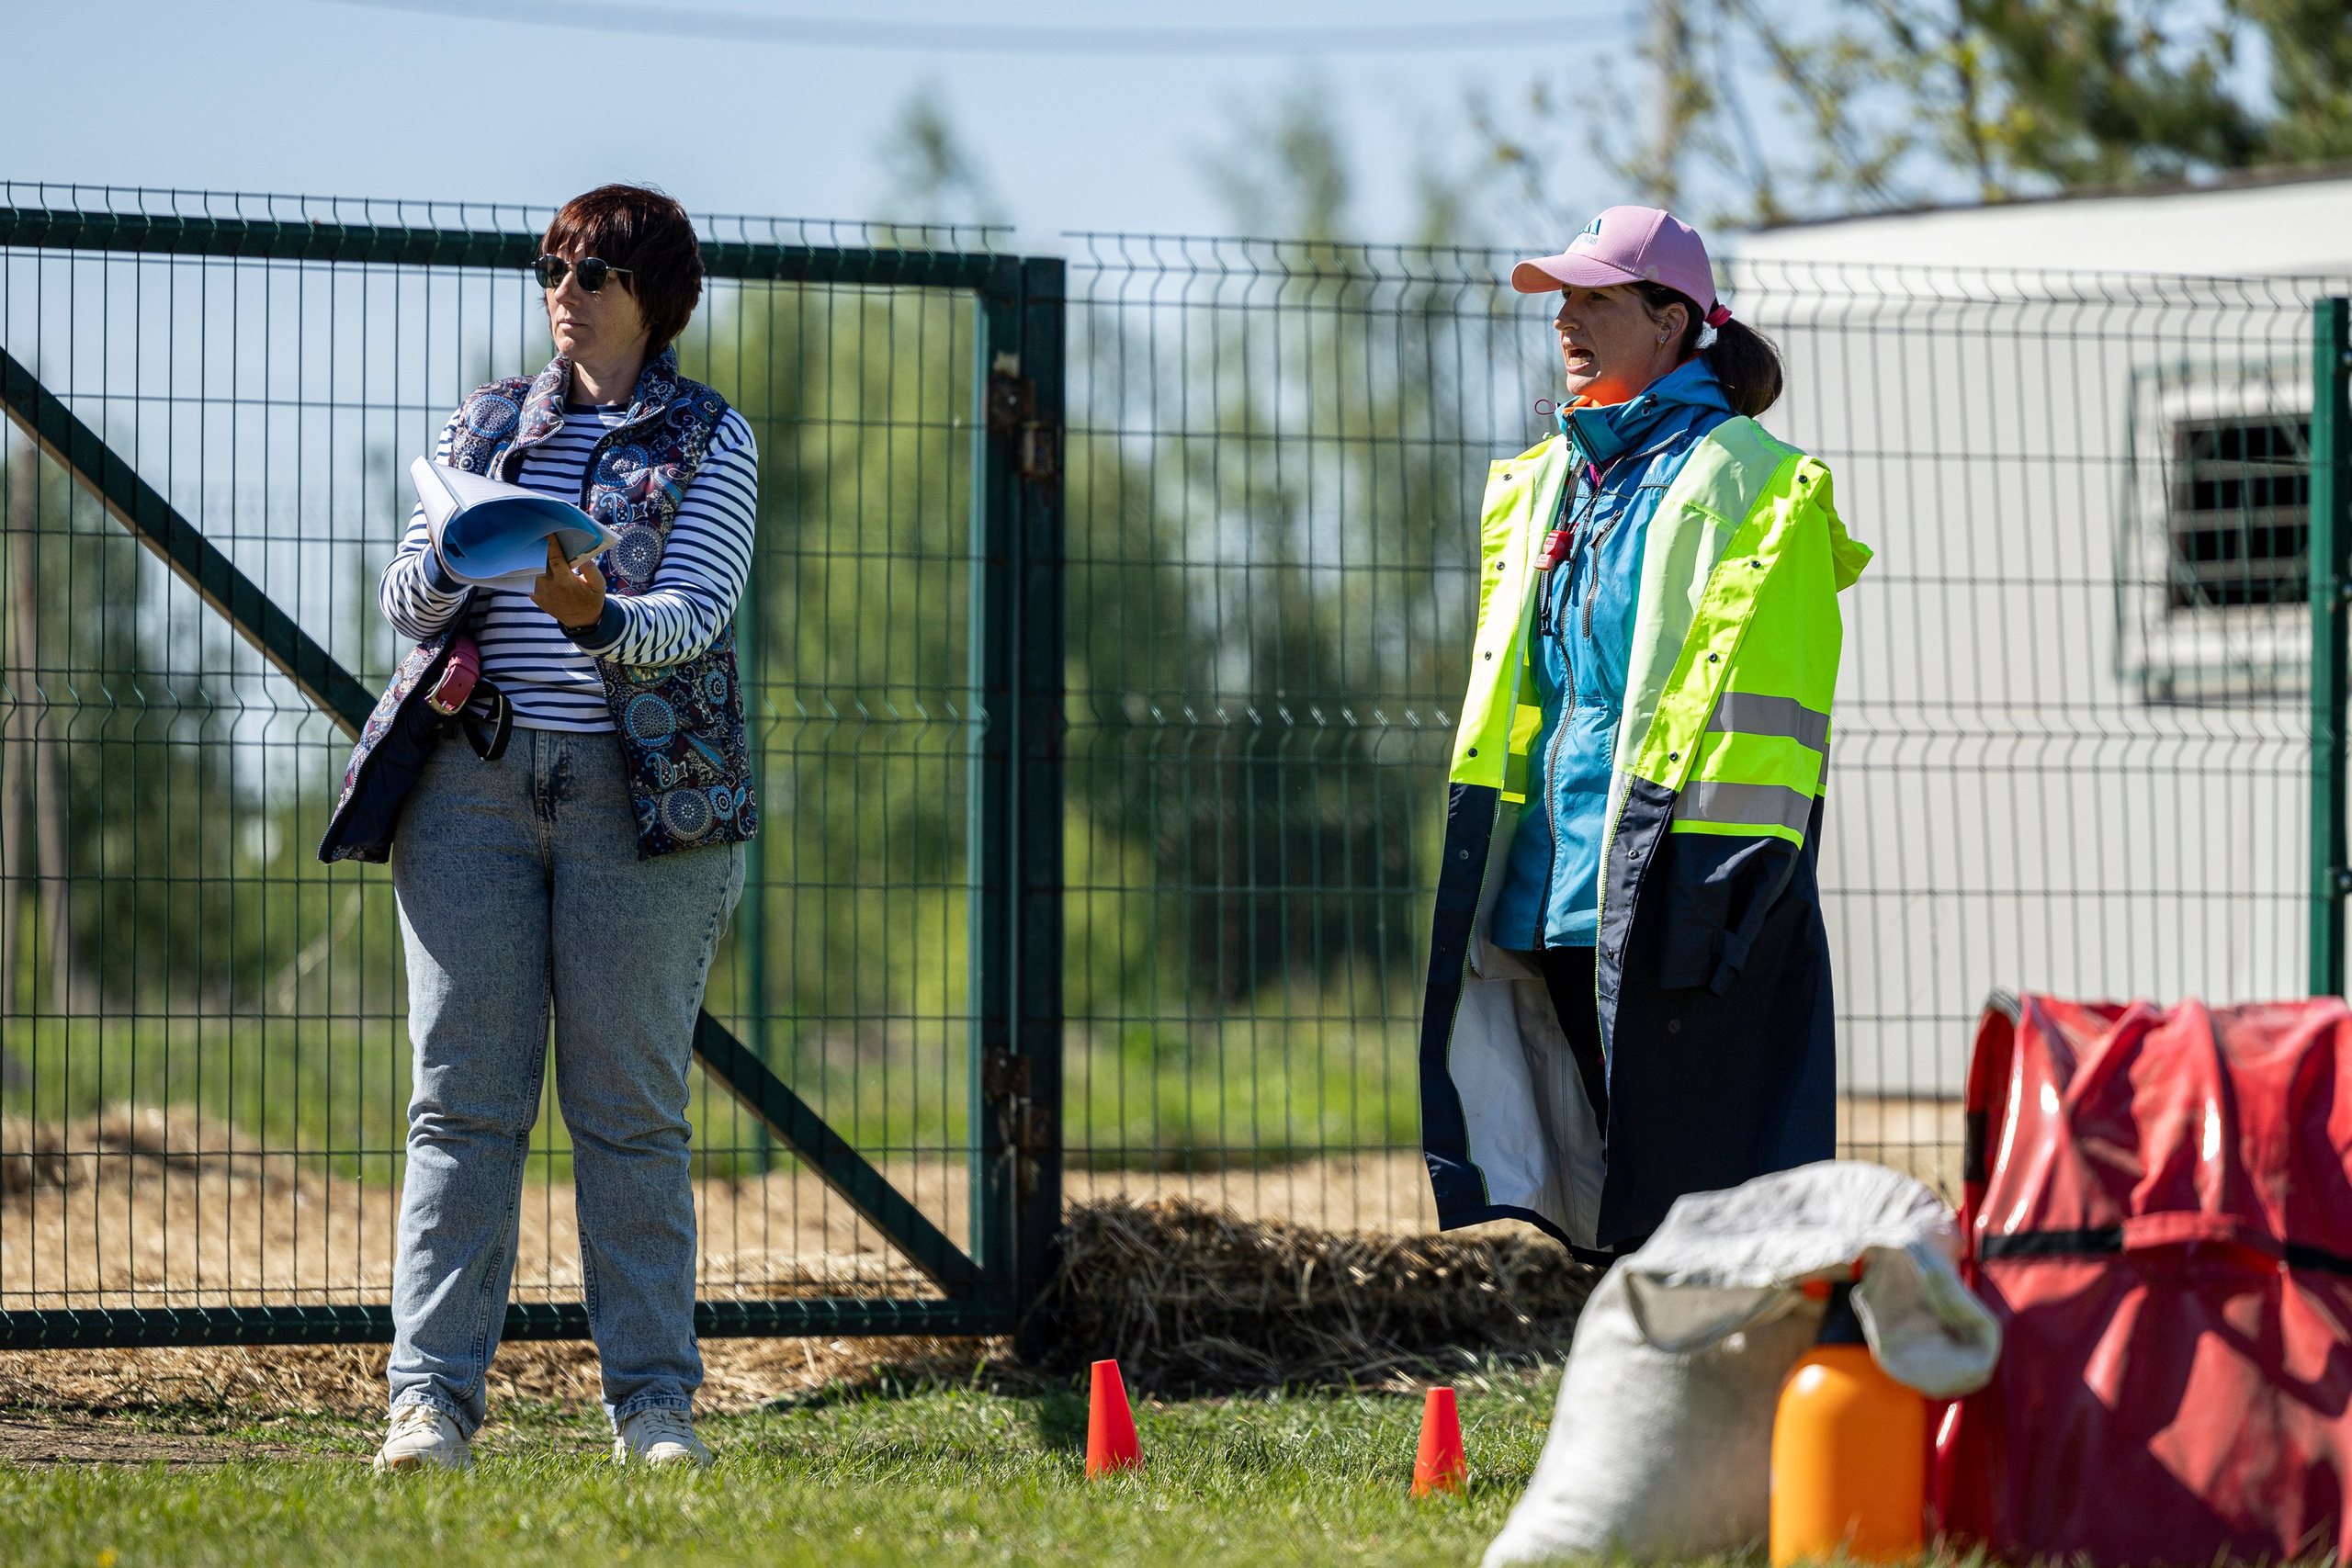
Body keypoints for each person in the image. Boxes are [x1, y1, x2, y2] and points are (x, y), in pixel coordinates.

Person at [368, 184, 760, 1472]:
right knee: (460, 1107)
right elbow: (402, 602)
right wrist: (439, 567)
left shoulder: (714, 436)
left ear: (654, 295)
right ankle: (428, 1404)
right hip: (467, 793)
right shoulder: (486, 423)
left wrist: (596, 616)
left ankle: (655, 1407)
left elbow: (696, 611)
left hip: (637, 808)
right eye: (550, 267)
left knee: (628, 1113)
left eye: (590, 272)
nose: (562, 292)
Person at [1418, 207, 1871, 1262]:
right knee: (1612, 1183)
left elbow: (1779, 723)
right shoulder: (1544, 480)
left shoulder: (1753, 482)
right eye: (1560, 301)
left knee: (1694, 1194)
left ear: (1670, 320)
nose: (1566, 321)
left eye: (1595, 299)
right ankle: (1636, 1396)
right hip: (1547, 885)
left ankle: (1717, 1404)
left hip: (1684, 887)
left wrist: (1733, 886)